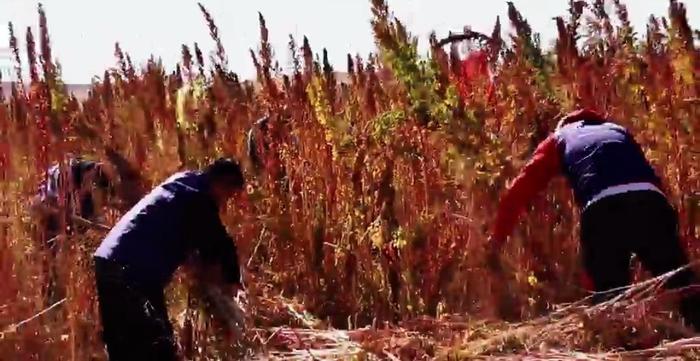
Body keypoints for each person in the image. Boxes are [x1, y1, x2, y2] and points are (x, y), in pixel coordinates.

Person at [489, 109, 700, 330]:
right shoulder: (618, 131)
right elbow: (650, 178)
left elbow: (518, 192)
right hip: (650, 201)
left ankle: (615, 345)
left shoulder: (560, 138)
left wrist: (496, 241)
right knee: (682, 284)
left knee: (608, 298)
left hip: (603, 208)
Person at [93, 158, 246, 361]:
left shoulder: (183, 182)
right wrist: (230, 286)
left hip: (108, 261)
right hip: (132, 271)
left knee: (124, 347)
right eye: (229, 194)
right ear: (221, 183)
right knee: (158, 347)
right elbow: (218, 246)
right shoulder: (197, 198)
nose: (226, 201)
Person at [31, 157, 112, 305]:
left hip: (72, 224)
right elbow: (40, 204)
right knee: (50, 260)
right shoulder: (63, 175)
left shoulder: (93, 191)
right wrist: (62, 215)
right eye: (93, 183)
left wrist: (97, 226)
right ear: (89, 173)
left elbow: (95, 215)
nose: (92, 188)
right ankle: (48, 296)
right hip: (50, 219)